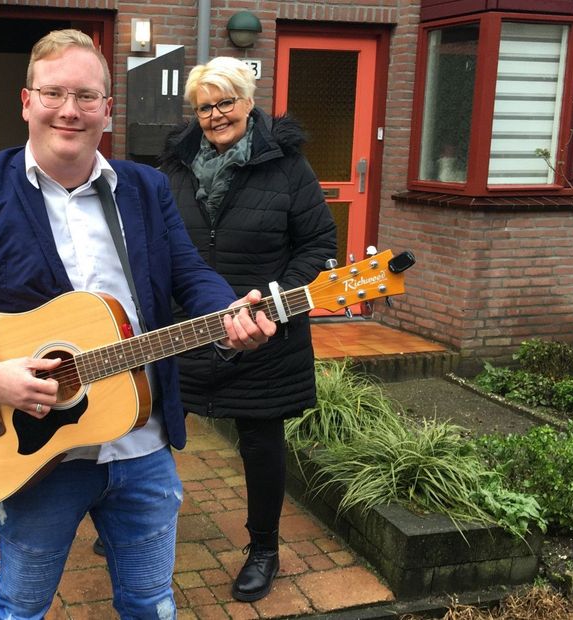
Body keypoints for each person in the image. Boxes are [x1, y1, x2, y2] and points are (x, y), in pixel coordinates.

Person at [0, 30, 276, 619]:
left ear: (107, 110)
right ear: (26, 101)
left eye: (87, 96)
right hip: (37, 451)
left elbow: (189, 274)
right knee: (20, 609)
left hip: (142, 445)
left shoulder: (144, 188)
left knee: (151, 605)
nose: (70, 110)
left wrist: (230, 311)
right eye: (54, 93)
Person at [158, 57, 338, 602]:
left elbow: (318, 245)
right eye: (204, 107)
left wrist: (277, 302)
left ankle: (263, 549)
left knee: (260, 443)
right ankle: (138, 519)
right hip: (184, 330)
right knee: (155, 430)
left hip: (265, 333)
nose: (215, 116)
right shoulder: (175, 166)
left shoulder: (288, 167)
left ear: (248, 100)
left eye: (225, 102)